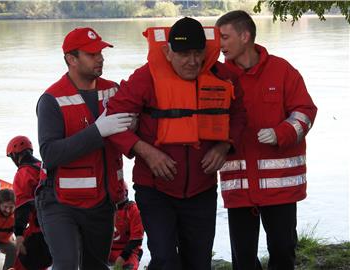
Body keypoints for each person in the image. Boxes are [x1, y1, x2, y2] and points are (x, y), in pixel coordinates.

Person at [107, 17, 246, 270]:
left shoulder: (223, 76)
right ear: (167, 52)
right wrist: (146, 151)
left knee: (199, 262)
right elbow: (112, 122)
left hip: (201, 189)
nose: (192, 61)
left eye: (198, 53)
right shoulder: (144, 78)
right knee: (165, 259)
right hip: (155, 190)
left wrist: (224, 145)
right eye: (184, 54)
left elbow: (238, 115)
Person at [216, 10, 318, 270]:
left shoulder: (282, 71)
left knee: (283, 251)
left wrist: (281, 132)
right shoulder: (216, 77)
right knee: (243, 258)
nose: (220, 44)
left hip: (280, 187)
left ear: (245, 36)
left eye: (225, 37)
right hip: (238, 187)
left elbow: (305, 112)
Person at [36, 27, 134, 270]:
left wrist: (136, 123)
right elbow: (49, 154)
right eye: (91, 54)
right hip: (60, 202)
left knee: (96, 266)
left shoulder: (114, 90)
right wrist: (96, 132)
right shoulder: (51, 99)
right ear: (71, 59)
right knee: (67, 265)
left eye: (101, 52)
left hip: (103, 203)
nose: (100, 58)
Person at [6, 135, 52, 270]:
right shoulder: (44, 166)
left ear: (15, 155)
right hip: (55, 226)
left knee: (19, 265)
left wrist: (19, 234)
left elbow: (22, 205)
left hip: (38, 229)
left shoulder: (23, 173)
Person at [109, 183, 144, 270]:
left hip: (129, 251)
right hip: (108, 250)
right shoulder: (103, 210)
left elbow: (136, 240)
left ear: (126, 193)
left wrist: (122, 258)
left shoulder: (133, 210)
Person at [0, 188, 16, 270]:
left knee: (13, 248)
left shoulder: (17, 216)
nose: (8, 210)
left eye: (11, 207)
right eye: (5, 207)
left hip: (2, 240)